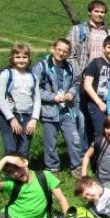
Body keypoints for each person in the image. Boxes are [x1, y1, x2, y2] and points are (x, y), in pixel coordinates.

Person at [33, 38, 82, 177]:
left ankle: (76, 166)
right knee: (50, 142)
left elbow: (75, 84)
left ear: (68, 54)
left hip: (67, 110)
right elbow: (35, 89)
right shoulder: (42, 67)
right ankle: (53, 168)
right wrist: (52, 97)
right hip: (49, 110)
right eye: (59, 50)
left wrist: (71, 93)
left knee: (74, 139)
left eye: (65, 52)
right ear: (53, 49)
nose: (61, 53)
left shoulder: (69, 67)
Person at [0, 43, 41, 157]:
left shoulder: (33, 77)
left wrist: (34, 119)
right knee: (11, 150)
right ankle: (10, 168)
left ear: (29, 59)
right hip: (9, 116)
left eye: (24, 57)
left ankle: (23, 168)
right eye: (17, 57)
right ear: (12, 58)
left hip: (28, 117)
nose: (21, 60)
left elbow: (37, 99)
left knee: (24, 150)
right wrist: (11, 118)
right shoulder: (6, 74)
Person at [82, 34, 110, 144]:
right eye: (109, 47)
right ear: (103, 48)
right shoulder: (95, 63)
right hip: (96, 104)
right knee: (100, 132)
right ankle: (95, 154)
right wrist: (99, 103)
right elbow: (87, 85)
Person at [67, 0, 110, 81]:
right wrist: (79, 74)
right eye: (96, 11)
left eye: (102, 12)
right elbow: (69, 54)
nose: (99, 14)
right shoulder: (77, 30)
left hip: (103, 78)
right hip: (81, 78)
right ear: (89, 12)